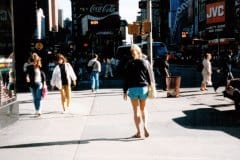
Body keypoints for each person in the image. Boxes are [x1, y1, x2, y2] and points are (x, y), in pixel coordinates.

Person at [123, 44, 155, 138]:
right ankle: (145, 127)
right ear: (140, 51)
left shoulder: (129, 63)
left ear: (131, 53)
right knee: (143, 109)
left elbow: (127, 79)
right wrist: (152, 87)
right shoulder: (145, 62)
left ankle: (138, 132)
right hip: (143, 89)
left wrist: (125, 91)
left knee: (136, 111)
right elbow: (150, 76)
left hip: (133, 88)